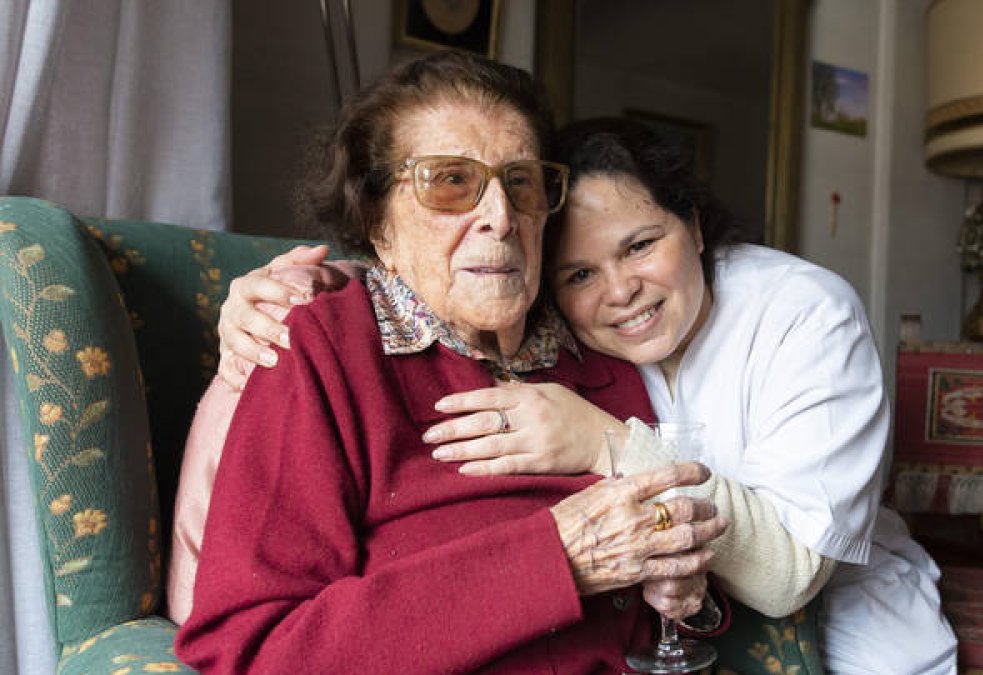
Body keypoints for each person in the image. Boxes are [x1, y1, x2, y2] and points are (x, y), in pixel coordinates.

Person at [203, 117, 960, 673]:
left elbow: (787, 574)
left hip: (848, 611)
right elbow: (454, 265)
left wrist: (603, 440)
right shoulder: (554, 329)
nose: (621, 290)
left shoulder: (807, 315)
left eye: (640, 245)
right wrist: (277, 289)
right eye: (580, 273)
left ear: (694, 227)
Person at [174, 53, 730, 674]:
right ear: (378, 222)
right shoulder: (324, 353)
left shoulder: (597, 347)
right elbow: (253, 649)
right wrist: (558, 560)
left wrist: (688, 602)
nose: (500, 216)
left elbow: (667, 587)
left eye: (520, 183)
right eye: (450, 182)